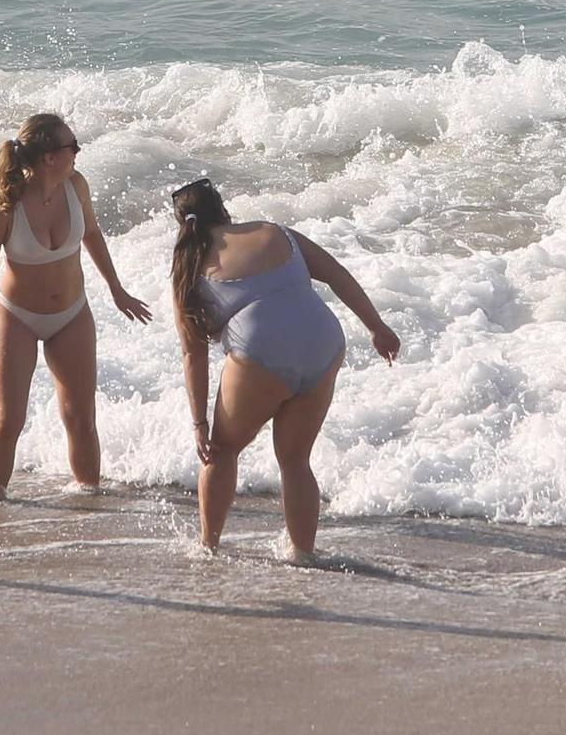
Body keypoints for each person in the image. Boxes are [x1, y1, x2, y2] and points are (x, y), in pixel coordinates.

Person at [169, 178, 400, 559]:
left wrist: (199, 424)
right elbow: (337, 273)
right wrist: (377, 327)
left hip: (261, 351)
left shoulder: (189, 265)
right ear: (223, 209)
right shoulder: (275, 231)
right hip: (324, 341)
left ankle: (208, 549)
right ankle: (303, 554)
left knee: (222, 450)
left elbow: (193, 354)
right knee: (295, 460)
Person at [0, 114, 151, 500]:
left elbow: (92, 234)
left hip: (71, 314)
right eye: (72, 147)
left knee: (81, 419)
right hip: (16, 316)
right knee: (7, 421)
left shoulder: (76, 185)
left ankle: (87, 503)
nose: (77, 154)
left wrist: (117, 289)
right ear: (49, 157)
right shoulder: (3, 204)